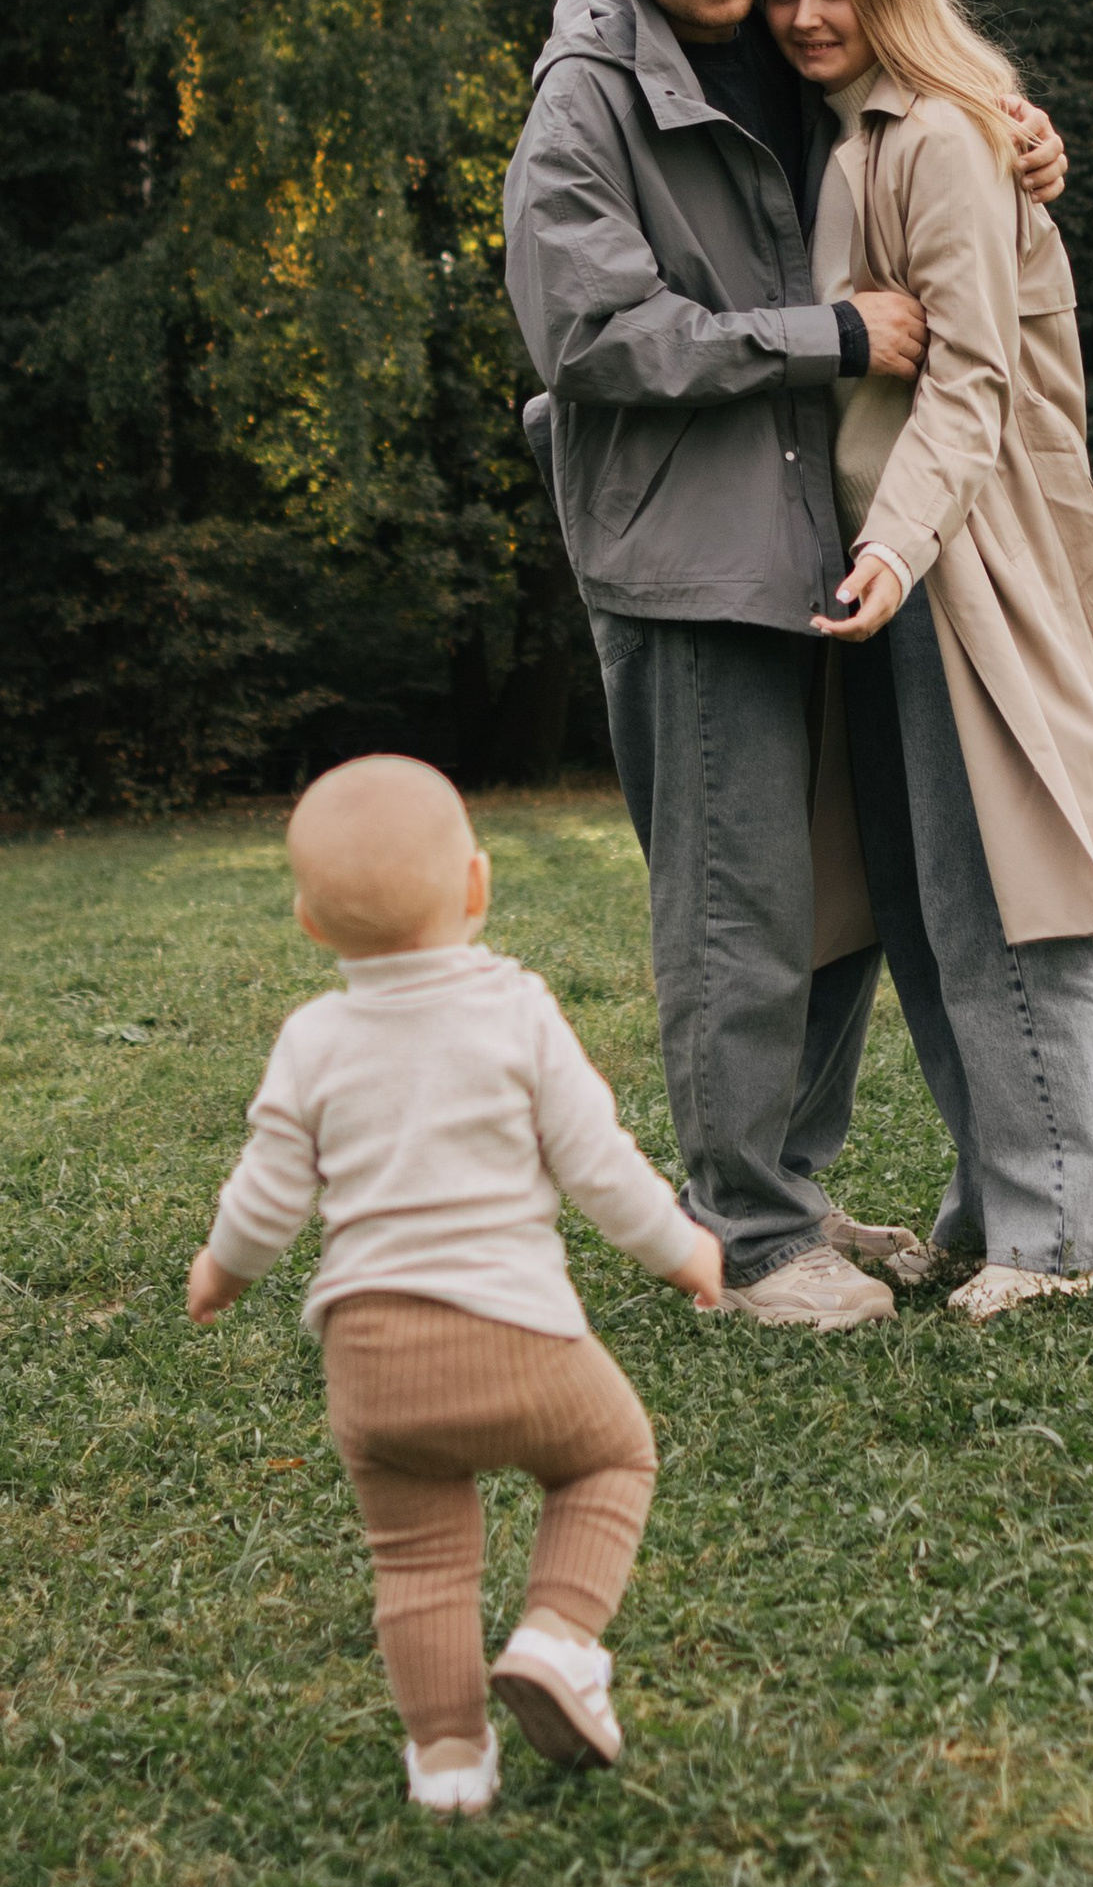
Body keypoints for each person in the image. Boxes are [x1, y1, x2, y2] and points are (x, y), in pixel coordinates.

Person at [499, 0, 1071, 1334]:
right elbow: (590, 335)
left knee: (833, 900)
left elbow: (907, 135)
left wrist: (1010, 127)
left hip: (818, 534)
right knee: (736, 901)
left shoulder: (771, 39)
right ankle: (744, 1244)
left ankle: (786, 1199)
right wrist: (827, 338)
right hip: (687, 547)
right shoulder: (585, 99)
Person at [761, 0, 1093, 1322]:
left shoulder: (952, 139)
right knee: (926, 905)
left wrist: (897, 549)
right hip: (886, 571)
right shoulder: (856, 129)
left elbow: (972, 382)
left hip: (955, 558)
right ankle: (1005, 1204)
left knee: (1006, 900)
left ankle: (1083, 1242)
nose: (802, 15)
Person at [186, 754, 722, 1817]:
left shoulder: (313, 1040)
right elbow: (598, 1164)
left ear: (310, 924)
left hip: (371, 1363)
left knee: (420, 1562)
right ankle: (557, 1639)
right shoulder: (516, 1012)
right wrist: (680, 1249)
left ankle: (446, 1760)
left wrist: (217, 1274)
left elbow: (263, 1198)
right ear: (477, 887)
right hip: (516, 1334)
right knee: (611, 1458)